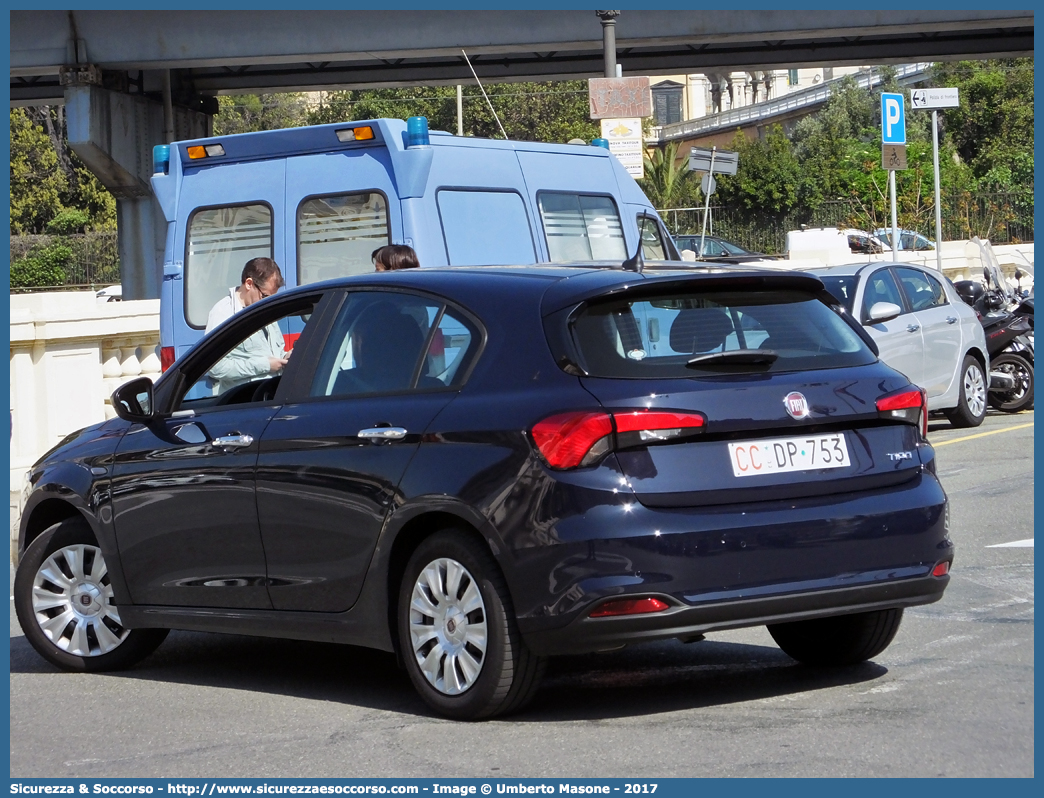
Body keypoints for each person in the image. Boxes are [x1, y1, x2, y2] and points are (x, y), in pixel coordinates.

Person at [205, 257, 288, 395]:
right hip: (242, 401)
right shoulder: (223, 313)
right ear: (249, 283)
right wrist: (264, 366)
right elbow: (215, 368)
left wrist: (285, 357)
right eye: (265, 296)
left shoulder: (264, 308)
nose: (269, 302)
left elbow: (273, 353)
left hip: (269, 396)